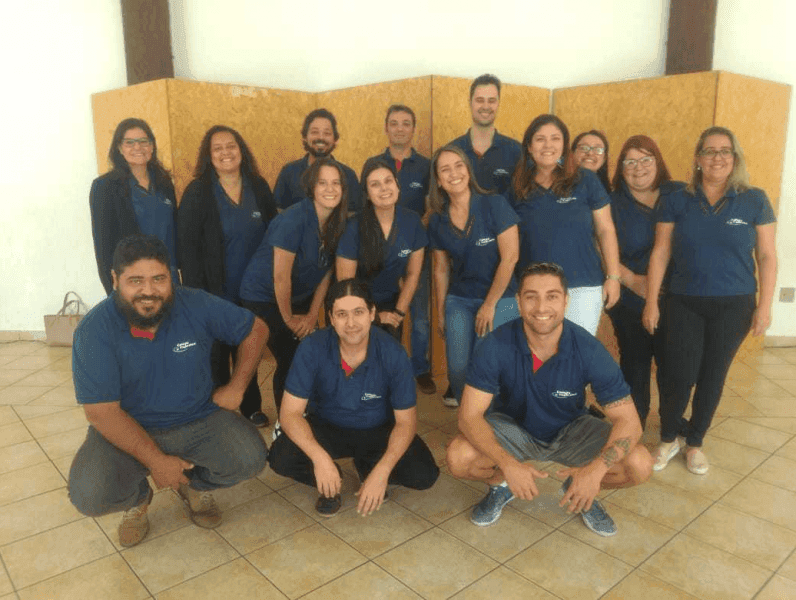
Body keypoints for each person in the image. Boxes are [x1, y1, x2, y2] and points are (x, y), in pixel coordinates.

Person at [68, 235, 269, 548]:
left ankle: (193, 486)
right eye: (136, 280)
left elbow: (256, 329)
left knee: (251, 458)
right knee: (89, 495)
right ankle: (139, 498)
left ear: (172, 277)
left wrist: (237, 386)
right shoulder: (94, 330)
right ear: (115, 280)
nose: (149, 291)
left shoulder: (195, 303)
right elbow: (102, 413)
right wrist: (157, 462)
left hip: (197, 418)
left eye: (159, 279)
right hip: (129, 426)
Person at [446, 262, 653, 536]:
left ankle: (582, 491)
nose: (541, 307)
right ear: (518, 302)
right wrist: (507, 465)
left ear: (566, 301)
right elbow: (468, 416)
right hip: (514, 428)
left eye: (552, 296)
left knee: (640, 464)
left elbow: (629, 422)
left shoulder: (588, 349)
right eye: (531, 297)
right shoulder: (495, 345)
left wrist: (595, 471)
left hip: (571, 429)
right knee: (459, 456)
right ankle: (501, 485)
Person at [643, 126, 777, 475]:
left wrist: (765, 307)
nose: (717, 158)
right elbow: (660, 252)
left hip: (735, 305)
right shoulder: (677, 199)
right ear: (698, 159)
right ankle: (668, 438)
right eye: (709, 151)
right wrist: (651, 302)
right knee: (678, 375)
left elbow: (767, 256)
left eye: (724, 151)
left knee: (713, 375)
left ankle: (695, 442)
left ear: (735, 158)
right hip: (683, 301)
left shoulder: (755, 199)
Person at [268, 279, 439, 517]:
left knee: (424, 475)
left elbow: (406, 422)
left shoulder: (393, 353)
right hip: (327, 427)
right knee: (280, 457)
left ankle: (369, 465)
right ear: (331, 317)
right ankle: (330, 482)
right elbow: (290, 413)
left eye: (358, 312)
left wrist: (383, 471)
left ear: (372, 314)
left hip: (377, 428)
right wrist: (320, 460)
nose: (350, 323)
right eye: (341, 314)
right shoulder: (312, 348)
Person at [178, 125, 278, 427]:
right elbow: (187, 248)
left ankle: (251, 406)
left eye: (231, 146)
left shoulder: (258, 186)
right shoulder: (198, 192)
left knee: (250, 348)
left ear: (241, 150)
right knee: (217, 354)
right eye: (217, 148)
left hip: (255, 290)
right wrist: (196, 296)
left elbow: (276, 235)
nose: (225, 152)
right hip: (214, 291)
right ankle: (218, 412)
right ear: (208, 155)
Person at [240, 157, 348, 413]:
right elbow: (281, 277)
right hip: (263, 297)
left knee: (311, 352)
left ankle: (306, 412)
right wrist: (289, 319)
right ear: (311, 187)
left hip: (298, 298)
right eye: (323, 183)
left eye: (336, 183)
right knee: (291, 356)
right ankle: (286, 423)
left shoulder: (337, 221)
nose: (330, 189)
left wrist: (311, 315)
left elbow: (326, 273)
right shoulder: (294, 219)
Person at [428, 145, 520, 408]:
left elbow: (510, 258)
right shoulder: (437, 220)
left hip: (501, 300)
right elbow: (441, 269)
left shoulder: (494, 204)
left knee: (486, 366)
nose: (454, 173)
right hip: (460, 299)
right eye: (445, 169)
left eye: (459, 165)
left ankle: (492, 423)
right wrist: (441, 312)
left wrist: (489, 305)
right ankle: (470, 420)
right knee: (457, 370)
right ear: (438, 180)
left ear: (468, 170)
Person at [512, 114, 621, 335]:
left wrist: (614, 277)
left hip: (583, 286)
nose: (548, 145)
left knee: (577, 350)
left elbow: (606, 230)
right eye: (540, 139)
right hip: (535, 290)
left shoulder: (586, 180)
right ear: (529, 147)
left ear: (564, 145)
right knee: (537, 352)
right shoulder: (517, 187)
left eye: (555, 138)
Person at [607, 135, 684, 429]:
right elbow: (599, 246)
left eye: (645, 159)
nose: (638, 167)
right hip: (629, 297)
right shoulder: (612, 202)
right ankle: (634, 424)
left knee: (673, 364)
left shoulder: (679, 193)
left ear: (658, 161)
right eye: (630, 162)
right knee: (635, 363)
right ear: (620, 168)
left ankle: (671, 425)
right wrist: (631, 280)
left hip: (675, 297)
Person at [362, 105, 435, 394]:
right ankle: (382, 367)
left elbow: (431, 207)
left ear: (413, 129)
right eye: (394, 123)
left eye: (406, 123)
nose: (400, 128)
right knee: (385, 307)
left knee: (419, 316)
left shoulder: (426, 165)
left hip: (416, 248)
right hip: (381, 252)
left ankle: (420, 369)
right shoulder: (374, 163)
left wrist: (409, 232)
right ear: (386, 128)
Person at [336, 160, 426, 342]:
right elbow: (346, 285)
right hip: (355, 310)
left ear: (397, 185)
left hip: (392, 308)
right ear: (367, 194)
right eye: (375, 184)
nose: (384, 188)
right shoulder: (353, 227)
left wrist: (398, 313)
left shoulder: (412, 221)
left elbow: (413, 274)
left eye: (388, 181)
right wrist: (374, 316)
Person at [90, 118, 178, 294]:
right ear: (119, 148)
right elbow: (103, 246)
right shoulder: (105, 187)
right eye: (129, 142)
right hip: (134, 281)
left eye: (143, 141)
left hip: (167, 274)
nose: (138, 147)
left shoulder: (164, 182)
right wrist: (113, 291)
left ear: (152, 146)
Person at [272, 108, 361, 213]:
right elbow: (279, 213)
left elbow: (353, 215)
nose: (321, 137)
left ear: (335, 139)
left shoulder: (348, 175)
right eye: (314, 132)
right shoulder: (289, 172)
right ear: (305, 137)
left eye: (327, 133)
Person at [450, 74, 521, 199]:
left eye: (491, 101)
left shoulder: (516, 151)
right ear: (470, 102)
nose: (486, 106)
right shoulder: (452, 151)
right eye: (480, 100)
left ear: (498, 103)